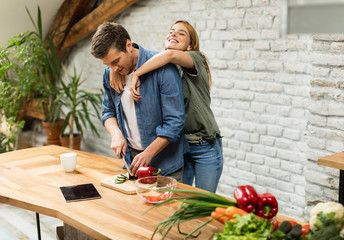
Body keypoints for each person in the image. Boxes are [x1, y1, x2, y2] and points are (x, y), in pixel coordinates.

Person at [127, 20, 223, 192]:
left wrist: (137, 73)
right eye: (171, 31)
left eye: (181, 33)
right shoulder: (164, 69)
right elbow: (139, 55)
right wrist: (113, 70)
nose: (173, 34)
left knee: (202, 203)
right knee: (178, 201)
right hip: (179, 148)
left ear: (190, 45)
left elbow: (169, 55)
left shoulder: (196, 59)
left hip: (204, 147)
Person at [91, 22, 186, 181]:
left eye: (115, 61)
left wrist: (148, 153)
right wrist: (116, 134)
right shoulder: (111, 72)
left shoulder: (163, 69)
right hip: (132, 162)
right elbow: (107, 112)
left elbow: (175, 122)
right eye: (107, 64)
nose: (112, 69)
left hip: (166, 166)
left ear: (128, 45)